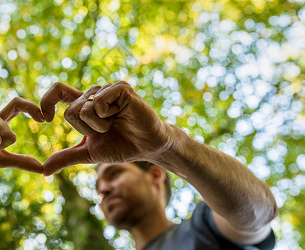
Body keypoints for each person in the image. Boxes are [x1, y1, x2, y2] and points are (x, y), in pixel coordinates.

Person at [40, 81, 278, 250]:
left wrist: (166, 147)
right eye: (98, 187)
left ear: (155, 175)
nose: (103, 190)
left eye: (114, 174)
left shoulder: (203, 230)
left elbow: (259, 212)